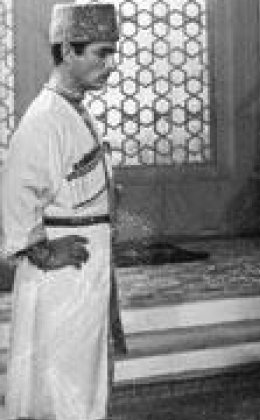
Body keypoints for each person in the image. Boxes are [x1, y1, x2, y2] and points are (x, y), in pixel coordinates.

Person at [0, 3, 121, 419]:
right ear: (69, 50)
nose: (111, 65)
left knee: (80, 382)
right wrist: (43, 252)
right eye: (102, 53)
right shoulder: (45, 118)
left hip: (83, 277)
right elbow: (16, 195)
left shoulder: (73, 109)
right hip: (62, 280)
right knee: (59, 387)